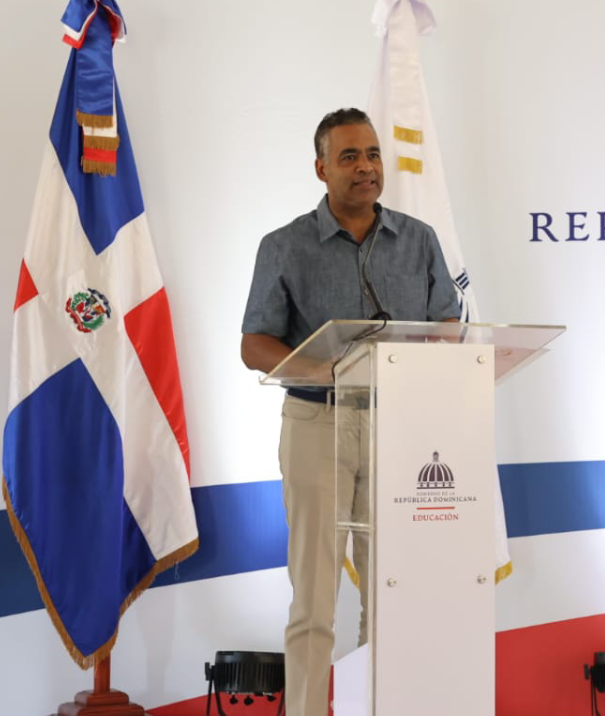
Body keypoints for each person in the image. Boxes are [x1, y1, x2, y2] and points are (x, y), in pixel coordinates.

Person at [240, 107, 459, 716]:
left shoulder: (418, 239)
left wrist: (431, 360)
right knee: (315, 599)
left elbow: (448, 321)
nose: (365, 168)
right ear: (321, 169)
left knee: (393, 593)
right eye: (349, 157)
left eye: (372, 155)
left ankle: (381, 705)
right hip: (319, 424)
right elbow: (254, 342)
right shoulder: (284, 246)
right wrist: (324, 370)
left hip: (401, 429)